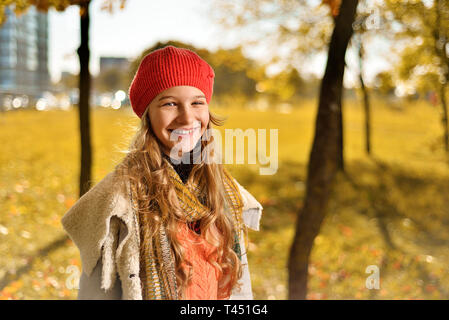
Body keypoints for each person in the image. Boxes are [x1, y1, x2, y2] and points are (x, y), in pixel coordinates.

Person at [61, 45, 263, 300]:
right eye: (169, 103)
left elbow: (238, 289)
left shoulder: (227, 193)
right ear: (148, 115)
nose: (187, 117)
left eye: (197, 103)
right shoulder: (118, 202)